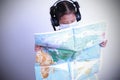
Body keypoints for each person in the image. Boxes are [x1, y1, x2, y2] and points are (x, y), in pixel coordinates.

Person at [35, 0, 107, 79]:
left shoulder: (86, 34)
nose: (69, 24)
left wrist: (100, 42)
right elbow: (46, 64)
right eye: (65, 23)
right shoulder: (51, 42)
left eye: (72, 21)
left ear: (78, 17)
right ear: (56, 22)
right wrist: (39, 51)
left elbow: (92, 51)